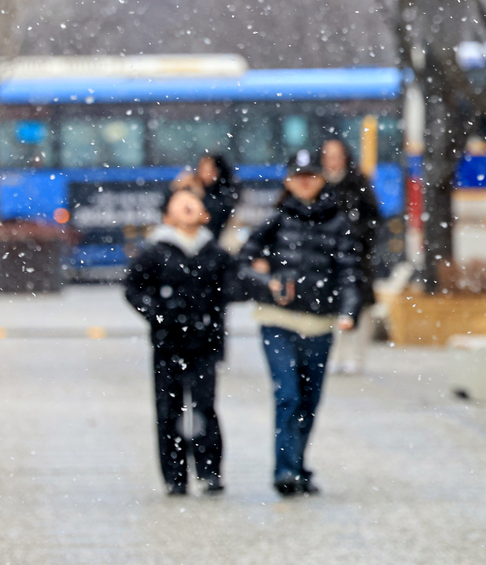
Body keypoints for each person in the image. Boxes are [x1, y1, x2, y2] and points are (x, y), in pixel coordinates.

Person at [239, 149, 360, 496]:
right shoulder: (275, 220)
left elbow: (350, 272)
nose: (304, 183)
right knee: (288, 394)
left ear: (321, 179)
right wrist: (268, 282)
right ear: (288, 182)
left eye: (311, 176)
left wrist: (349, 311)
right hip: (277, 319)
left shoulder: (339, 223)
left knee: (309, 399)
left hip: (319, 323)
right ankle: (286, 470)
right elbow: (242, 263)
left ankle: (297, 464)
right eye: (298, 177)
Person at [124, 188, 245, 496]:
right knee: (169, 410)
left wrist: (217, 309)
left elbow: (233, 286)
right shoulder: (155, 252)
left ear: (204, 213)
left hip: (205, 343)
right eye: (180, 203)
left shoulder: (214, 252)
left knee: (205, 407)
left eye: (194, 202)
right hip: (168, 345)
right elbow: (133, 288)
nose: (188, 206)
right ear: (168, 216)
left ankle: (209, 472)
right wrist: (158, 314)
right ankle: (175, 477)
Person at [318, 138, 380, 374]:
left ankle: (356, 356)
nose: (332, 161)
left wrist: (356, 239)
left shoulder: (357, 183)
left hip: (357, 257)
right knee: (330, 306)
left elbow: (373, 218)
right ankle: (335, 355)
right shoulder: (318, 183)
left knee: (360, 306)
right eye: (328, 156)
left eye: (337, 156)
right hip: (325, 258)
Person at [171, 154, 241, 240]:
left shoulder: (226, 191)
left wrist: (200, 194)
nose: (201, 173)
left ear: (217, 172)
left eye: (206, 170)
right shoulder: (193, 187)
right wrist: (177, 188)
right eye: (200, 168)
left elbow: (215, 216)